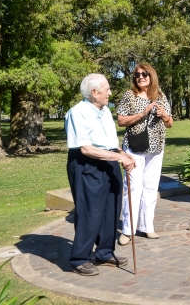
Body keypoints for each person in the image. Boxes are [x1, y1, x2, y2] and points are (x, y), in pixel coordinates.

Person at [65, 73, 136, 276]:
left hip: (109, 159)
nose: (110, 93)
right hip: (87, 163)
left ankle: (104, 253)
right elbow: (86, 148)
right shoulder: (77, 113)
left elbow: (110, 142)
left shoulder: (104, 111)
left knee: (111, 208)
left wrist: (122, 154)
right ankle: (79, 258)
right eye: (107, 89)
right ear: (94, 92)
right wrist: (118, 158)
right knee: (90, 210)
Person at [116, 62, 173, 245]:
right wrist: (143, 113)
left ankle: (147, 226)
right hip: (134, 148)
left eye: (144, 74)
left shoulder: (161, 96)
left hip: (156, 149)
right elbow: (121, 121)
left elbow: (170, 123)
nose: (140, 77)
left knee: (150, 187)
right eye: (137, 74)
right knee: (132, 188)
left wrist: (164, 114)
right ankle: (127, 230)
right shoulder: (129, 96)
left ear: (151, 76)